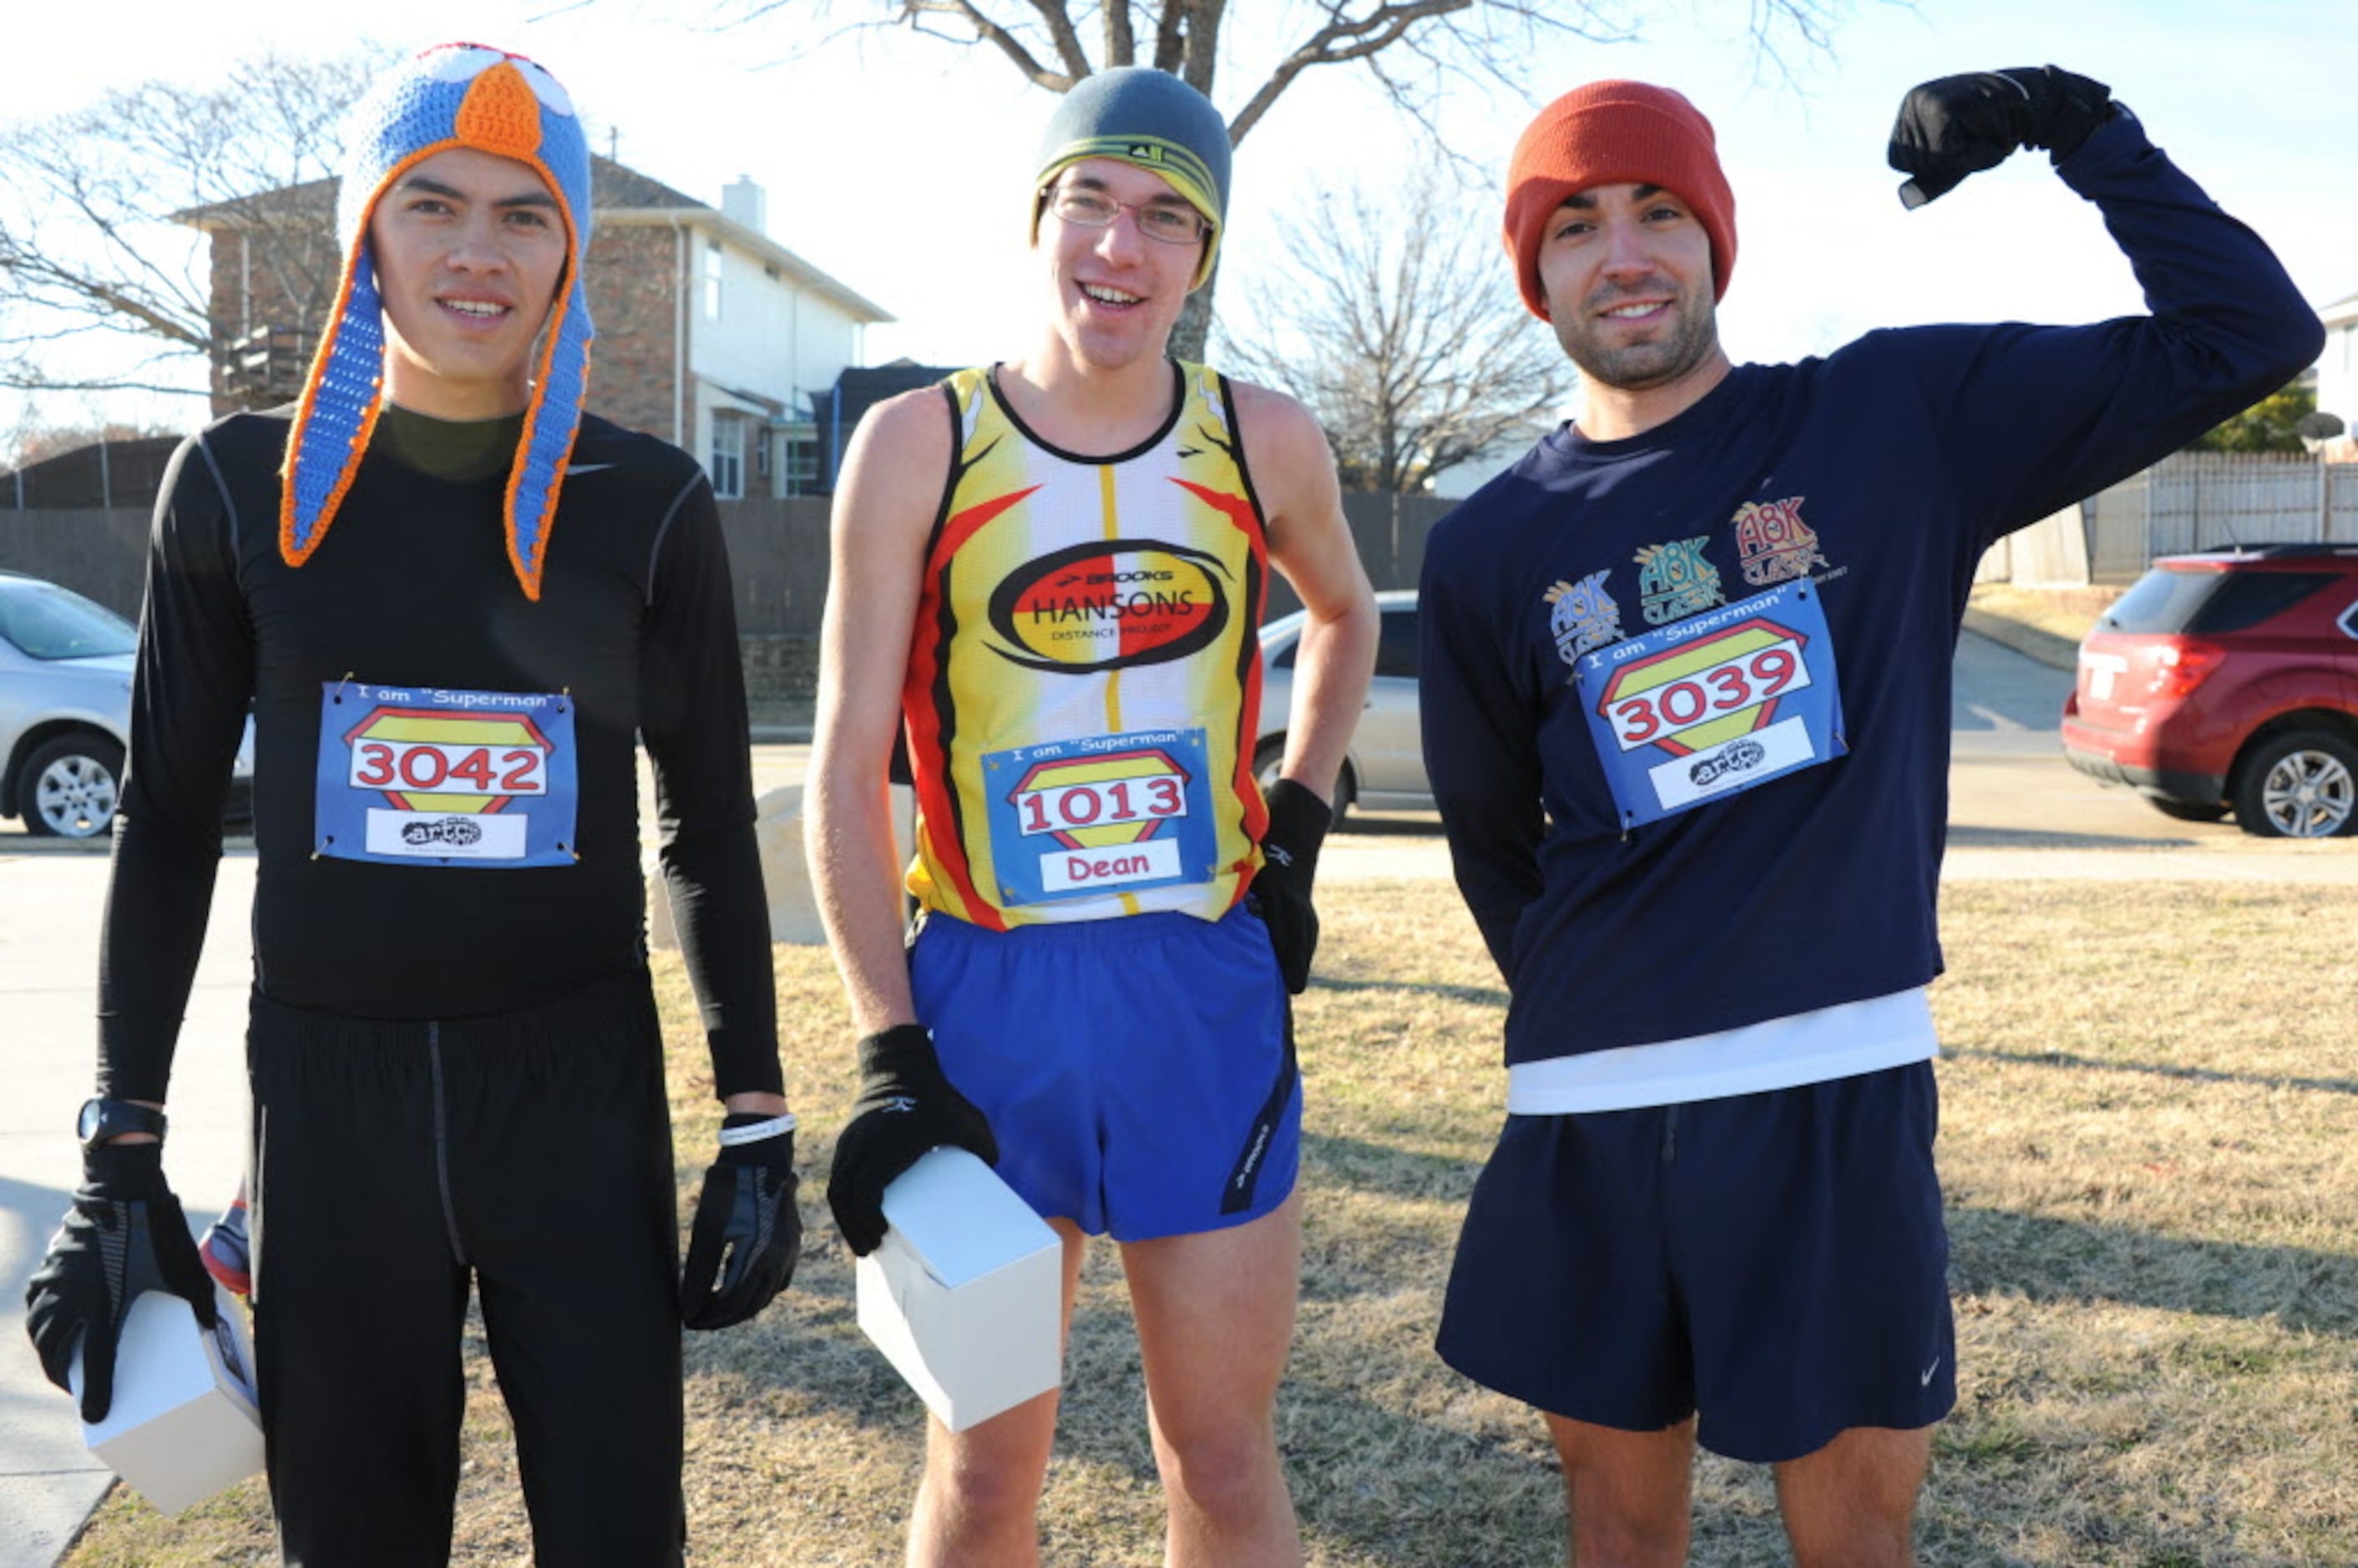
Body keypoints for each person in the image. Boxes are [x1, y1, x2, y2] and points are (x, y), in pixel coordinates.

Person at [1418, 72, 2321, 1567]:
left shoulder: (1892, 419)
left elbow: (2253, 336)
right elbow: (1490, 835)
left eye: (1658, 212)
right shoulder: (1489, 545)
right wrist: (1614, 997)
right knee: (1619, 1528)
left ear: (1717, 240)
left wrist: (2084, 131)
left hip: (1834, 1083)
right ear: (1536, 273)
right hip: (1590, 1102)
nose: (1623, 252)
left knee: (1855, 1533)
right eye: (1574, 226)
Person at [23, 43, 802, 1566]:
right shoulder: (237, 486)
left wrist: (758, 1113)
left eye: (525, 215)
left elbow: (704, 823)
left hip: (577, 1098)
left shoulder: (645, 501)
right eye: (430, 202)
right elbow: (170, 820)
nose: (475, 250)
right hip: (331, 1106)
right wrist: (121, 1137)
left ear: (570, 246)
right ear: (365, 234)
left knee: (617, 1537)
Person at [805, 66, 1378, 1568]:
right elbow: (845, 765)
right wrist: (888, 1042)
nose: (1123, 249)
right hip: (986, 994)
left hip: (1198, 987)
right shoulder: (921, 443)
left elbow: (1344, 614)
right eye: (1094, 205)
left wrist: (1301, 814)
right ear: (1039, 219)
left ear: (1204, 253)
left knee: (1220, 1455)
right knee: (987, 1475)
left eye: (1168, 219)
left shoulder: (1265, 439)